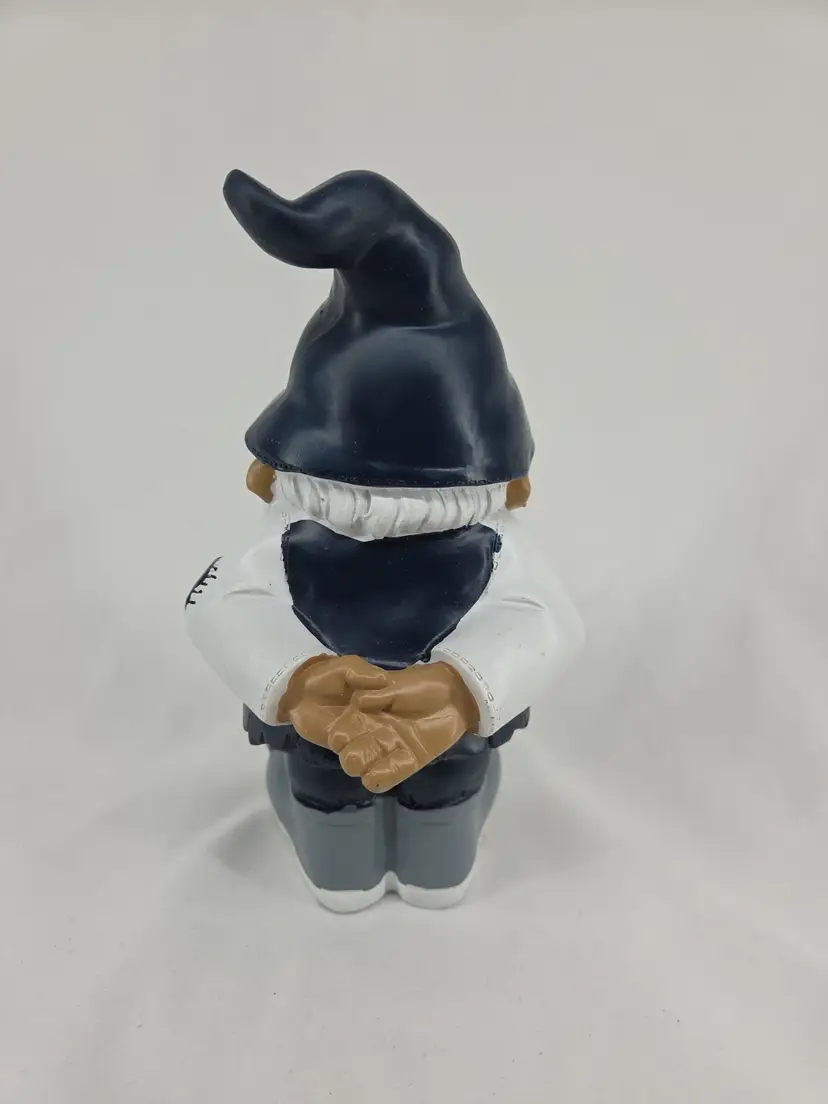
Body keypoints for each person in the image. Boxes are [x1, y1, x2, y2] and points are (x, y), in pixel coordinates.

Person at [186, 168, 584, 912]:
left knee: (440, 813)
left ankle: (428, 840)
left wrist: (458, 690)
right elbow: (215, 599)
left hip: (447, 734)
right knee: (334, 818)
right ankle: (347, 847)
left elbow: (548, 622)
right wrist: (302, 682)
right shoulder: (286, 542)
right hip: (324, 732)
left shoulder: (495, 550)